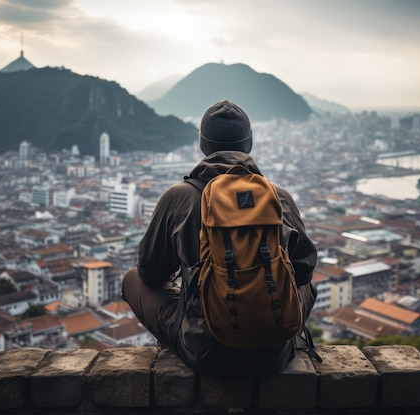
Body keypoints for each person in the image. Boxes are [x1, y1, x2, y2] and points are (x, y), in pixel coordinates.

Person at [122, 100, 317, 376]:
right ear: (248, 144)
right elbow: (305, 267)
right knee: (310, 285)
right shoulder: (278, 197)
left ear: (204, 146)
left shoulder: (179, 198)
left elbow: (150, 272)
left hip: (207, 353)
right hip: (274, 352)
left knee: (132, 279)